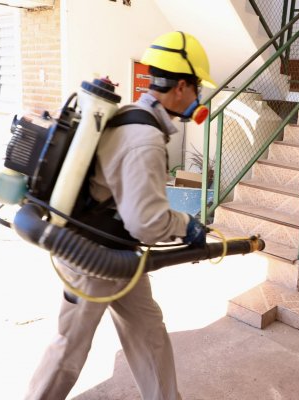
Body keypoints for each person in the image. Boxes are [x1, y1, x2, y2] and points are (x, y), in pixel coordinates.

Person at [25, 31, 216, 400]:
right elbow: (146, 222)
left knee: (149, 334)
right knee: (69, 350)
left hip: (118, 254)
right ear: (181, 87)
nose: (199, 97)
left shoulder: (133, 113)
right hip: (91, 256)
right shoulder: (144, 138)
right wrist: (185, 225)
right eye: (197, 88)